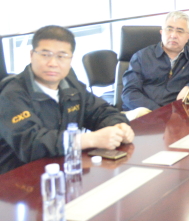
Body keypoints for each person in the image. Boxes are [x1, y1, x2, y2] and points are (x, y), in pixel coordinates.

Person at [0, 26, 134, 174]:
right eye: (45, 55)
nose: (53, 63)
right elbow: (31, 144)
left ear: (70, 59)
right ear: (31, 55)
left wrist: (119, 126)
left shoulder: (71, 86)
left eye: (62, 56)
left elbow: (101, 111)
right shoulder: (11, 95)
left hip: (64, 168)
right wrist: (88, 139)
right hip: (16, 178)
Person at [122, 11, 189, 111]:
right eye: (169, 29)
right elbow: (129, 93)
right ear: (161, 32)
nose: (173, 35)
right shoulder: (142, 56)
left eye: (180, 31)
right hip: (144, 112)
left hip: (177, 114)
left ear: (188, 37)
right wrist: (159, 112)